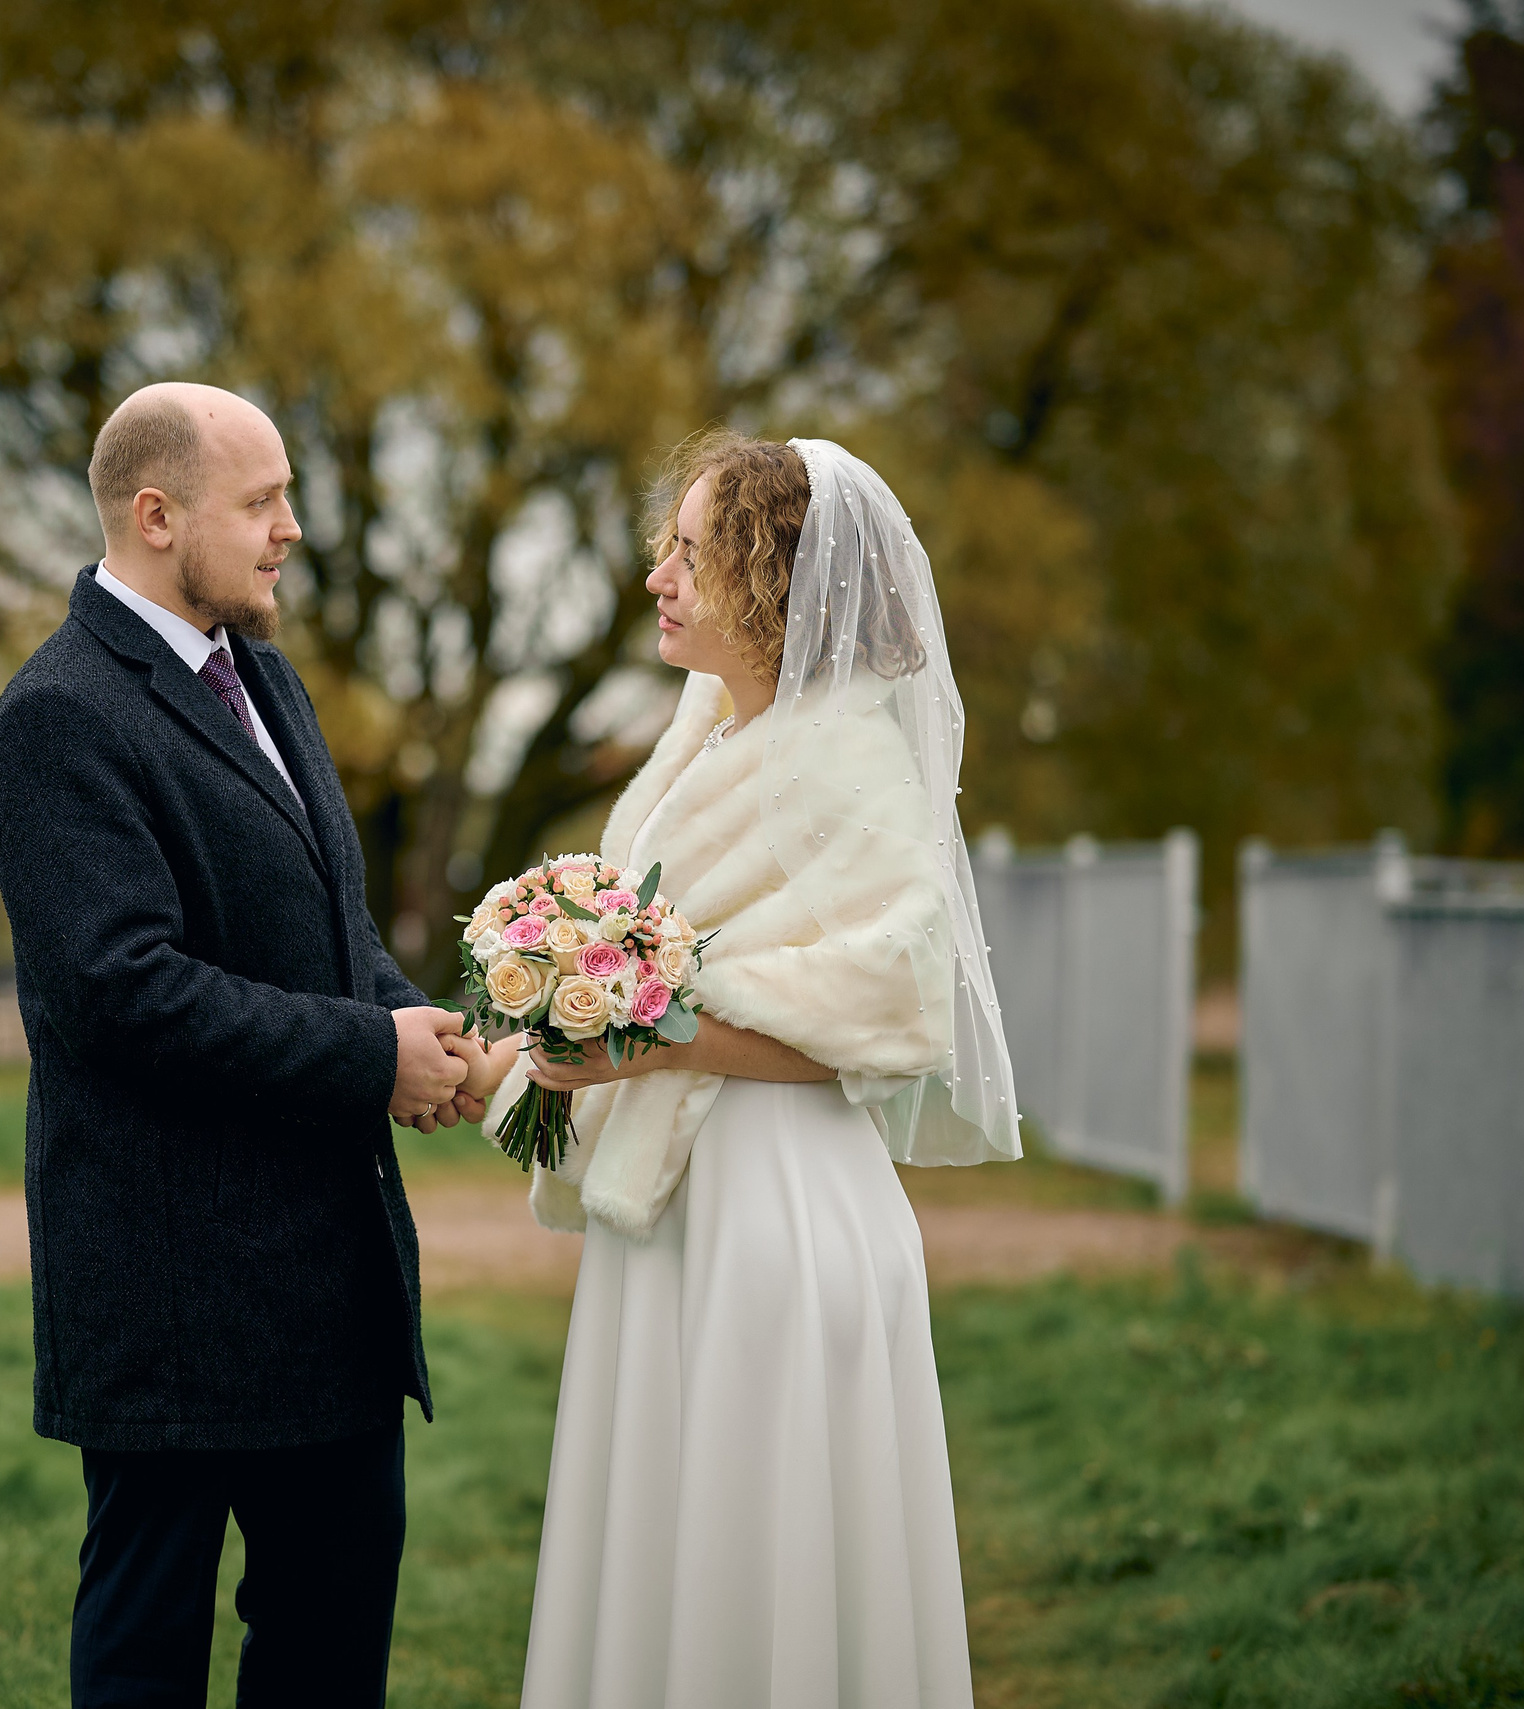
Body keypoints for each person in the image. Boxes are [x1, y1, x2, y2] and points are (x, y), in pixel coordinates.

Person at [455, 432, 1021, 1708]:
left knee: (759, 1526)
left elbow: (892, 1003)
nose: (657, 574)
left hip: (777, 1204)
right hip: (683, 1202)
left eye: (689, 551)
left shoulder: (840, 754)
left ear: (770, 575)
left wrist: (642, 1033)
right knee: (666, 1514)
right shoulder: (711, 731)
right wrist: (537, 1033)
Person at [0, 381, 484, 1708]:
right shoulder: (61, 716)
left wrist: (420, 1025)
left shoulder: (261, 670)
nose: (292, 531)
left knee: (330, 1647)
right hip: (171, 1299)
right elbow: (123, 994)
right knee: (148, 1657)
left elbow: (327, 924)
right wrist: (371, 1055)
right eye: (261, 502)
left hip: (328, 1289)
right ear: (156, 516)